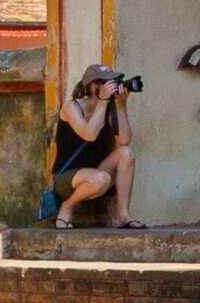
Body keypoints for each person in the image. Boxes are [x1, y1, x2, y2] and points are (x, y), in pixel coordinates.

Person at [47, 64, 140, 229]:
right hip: (67, 178)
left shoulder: (108, 108)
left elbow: (124, 139)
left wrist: (120, 105)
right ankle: (67, 206)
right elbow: (89, 135)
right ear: (93, 85)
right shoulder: (71, 107)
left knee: (126, 152)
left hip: (96, 172)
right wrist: (103, 101)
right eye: (108, 83)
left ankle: (123, 215)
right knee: (101, 178)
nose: (113, 86)